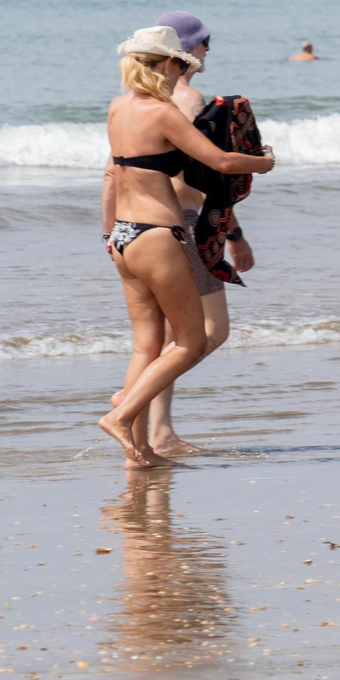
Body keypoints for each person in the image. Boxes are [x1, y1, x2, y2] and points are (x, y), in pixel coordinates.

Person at [100, 25, 276, 469]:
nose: (180, 71)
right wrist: (264, 162)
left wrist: (107, 234)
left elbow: (111, 174)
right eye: (179, 64)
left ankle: (139, 452)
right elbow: (221, 161)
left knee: (146, 348)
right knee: (191, 342)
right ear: (166, 64)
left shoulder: (118, 107)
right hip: (158, 236)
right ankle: (121, 415)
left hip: (123, 236)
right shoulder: (163, 112)